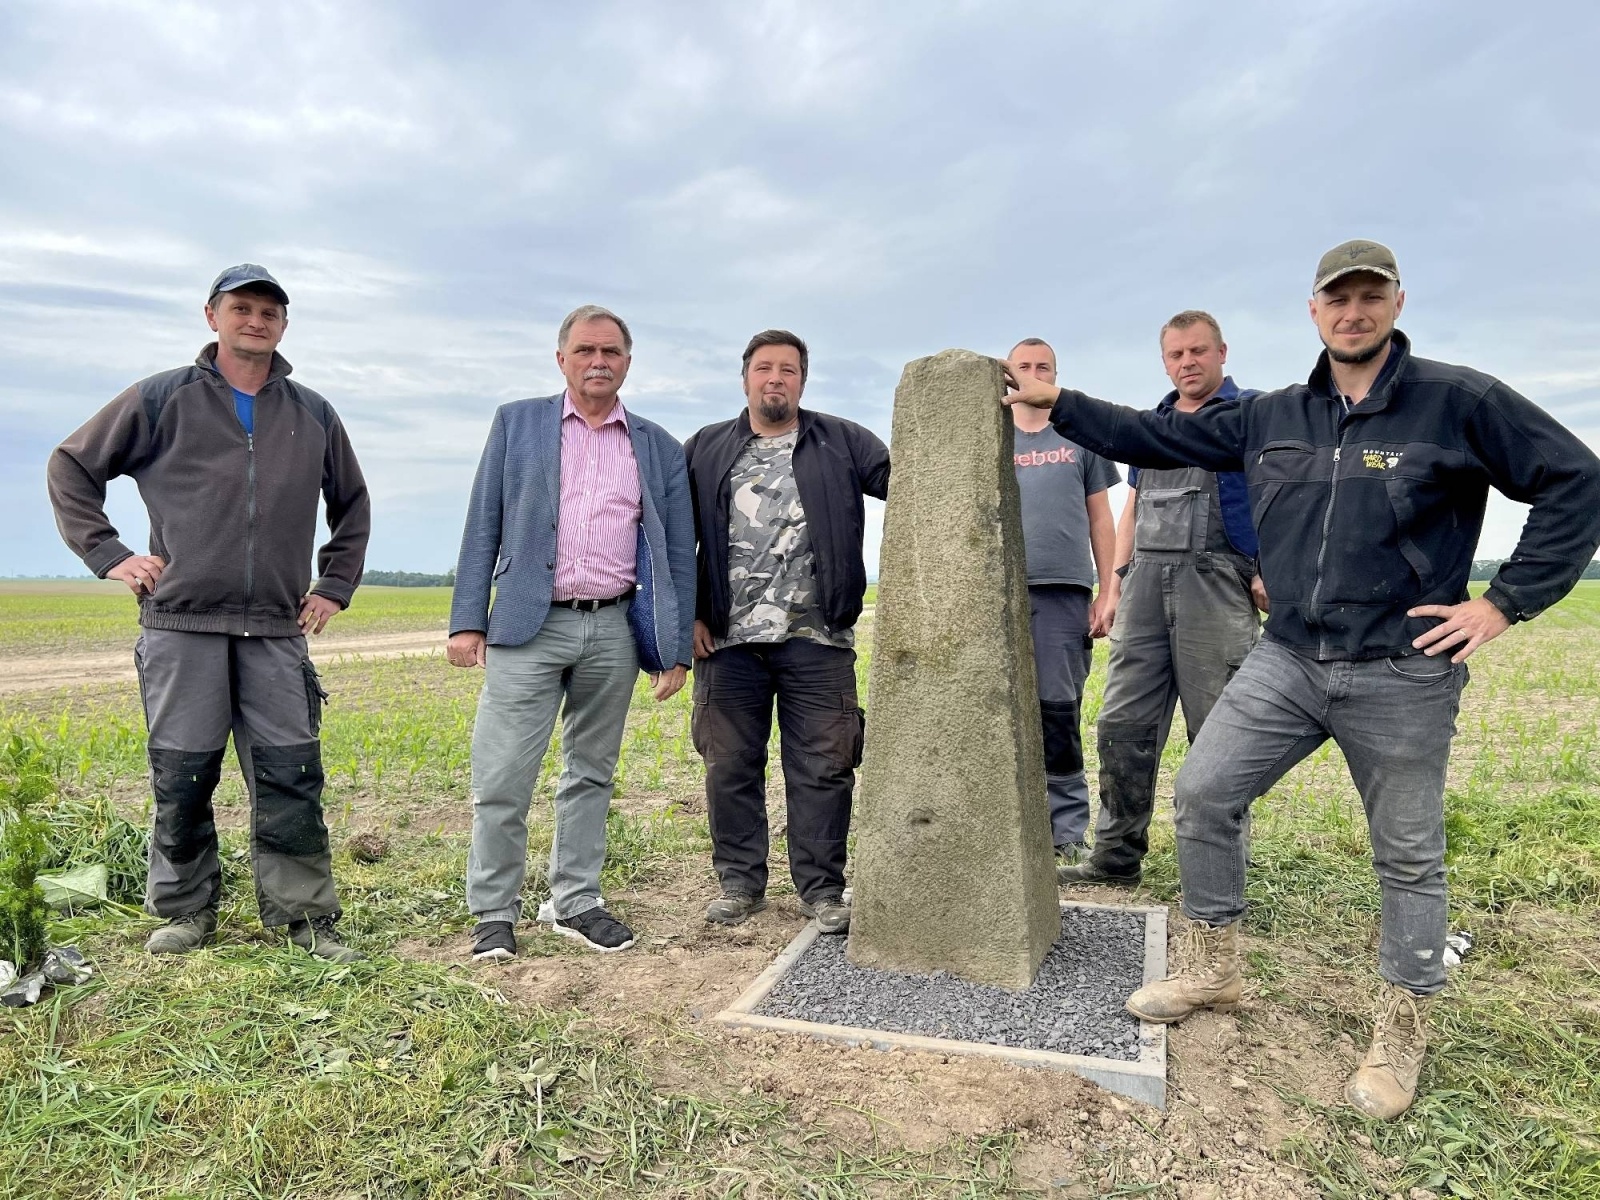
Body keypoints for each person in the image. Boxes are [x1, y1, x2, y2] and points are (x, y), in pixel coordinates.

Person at [1005, 239, 1600, 1120]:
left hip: (1400, 669)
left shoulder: (1458, 402)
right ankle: (1213, 967)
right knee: (1204, 794)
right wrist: (1058, 403)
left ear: (1397, 303)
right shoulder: (1274, 415)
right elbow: (1153, 434)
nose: (1353, 313)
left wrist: (1503, 602)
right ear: (1314, 311)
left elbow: (1577, 482)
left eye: (1370, 297)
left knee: (1406, 852)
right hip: (1286, 657)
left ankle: (1401, 1026)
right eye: (1338, 299)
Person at [47, 264, 371, 962]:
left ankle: (304, 916)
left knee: (291, 774)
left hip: (277, 629)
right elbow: (70, 466)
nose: (256, 320)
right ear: (212, 316)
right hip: (181, 625)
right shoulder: (161, 398)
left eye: (269, 312)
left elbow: (352, 503)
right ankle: (186, 911)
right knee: (184, 775)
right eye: (241, 308)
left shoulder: (313, 412)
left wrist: (334, 584)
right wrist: (109, 553)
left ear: (284, 325)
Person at [448, 304, 695, 960]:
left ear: (628, 363)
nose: (598, 362)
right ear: (562, 359)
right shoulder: (517, 423)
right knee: (503, 778)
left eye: (610, 352)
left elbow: (676, 553)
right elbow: (483, 521)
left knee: (591, 773)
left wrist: (673, 649)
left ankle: (576, 901)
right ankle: (493, 911)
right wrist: (467, 620)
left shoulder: (657, 446)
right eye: (585, 350)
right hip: (528, 627)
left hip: (613, 629)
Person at [685, 330, 890, 934]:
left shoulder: (842, 441)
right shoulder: (705, 447)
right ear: (745, 377)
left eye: (789, 370)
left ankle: (823, 889)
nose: (775, 378)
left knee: (824, 767)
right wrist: (688, 615)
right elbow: (671, 534)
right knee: (729, 766)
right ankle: (740, 884)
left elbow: (913, 487)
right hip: (728, 640)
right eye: (764, 368)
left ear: (803, 380)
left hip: (819, 639)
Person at [1059, 312, 1265, 888]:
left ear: (1222, 352)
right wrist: (1115, 584)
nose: (1187, 363)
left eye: (1198, 351)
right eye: (1176, 354)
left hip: (1216, 589)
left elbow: (1280, 498)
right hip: (1144, 591)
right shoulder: (1153, 427)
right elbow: (1132, 507)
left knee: (1220, 735)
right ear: (1165, 362)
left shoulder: (1250, 417)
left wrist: (1268, 568)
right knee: (1123, 725)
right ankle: (1115, 857)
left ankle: (1219, 868)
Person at [1008, 338, 1119, 862]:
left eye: (1043, 367)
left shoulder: (1078, 434)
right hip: (997, 595)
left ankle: (1067, 829)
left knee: (1057, 708)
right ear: (1009, 375)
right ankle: (1006, 823)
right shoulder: (990, 436)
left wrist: (1109, 588)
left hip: (1063, 591)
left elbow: (1102, 518)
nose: (1033, 373)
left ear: (1055, 374)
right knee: (998, 712)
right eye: (1023, 366)